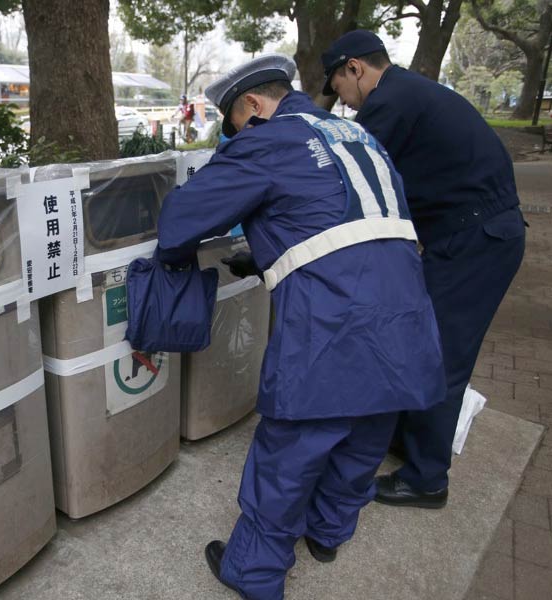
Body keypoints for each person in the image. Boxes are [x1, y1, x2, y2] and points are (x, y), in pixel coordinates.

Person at [155, 54, 445, 599]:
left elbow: (180, 222)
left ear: (253, 106)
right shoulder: (357, 135)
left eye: (234, 128)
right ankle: (330, 531)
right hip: (406, 309)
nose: (235, 139)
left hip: (334, 318)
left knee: (292, 448)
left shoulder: (267, 138)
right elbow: (342, 218)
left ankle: (254, 571)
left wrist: (176, 253)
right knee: (366, 431)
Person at [322, 30, 526, 509]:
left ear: (355, 68)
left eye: (339, 86)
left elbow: (346, 179)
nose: (344, 103)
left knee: (441, 355)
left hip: (476, 240)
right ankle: (410, 441)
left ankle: (427, 479)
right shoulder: (410, 91)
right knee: (421, 341)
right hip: (469, 234)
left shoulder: (390, 102)